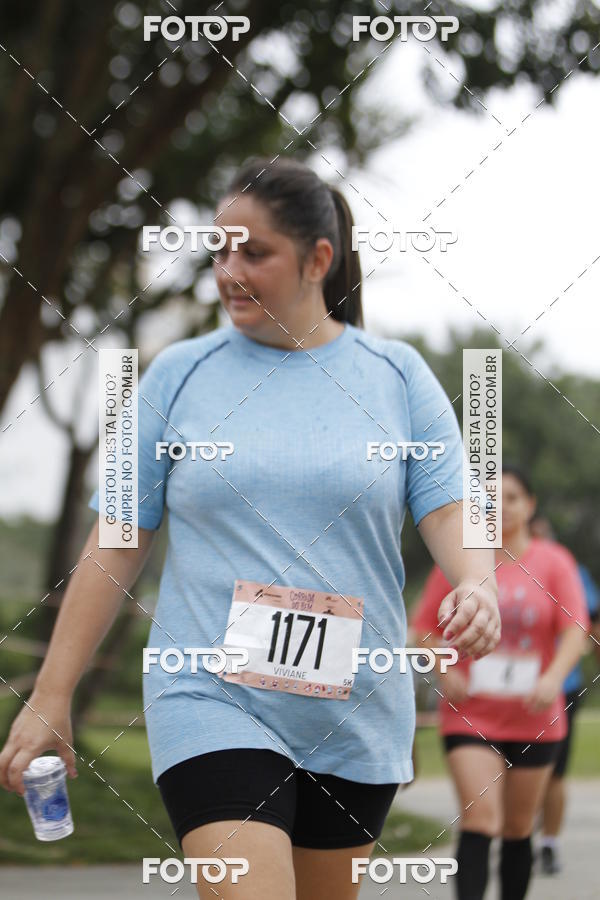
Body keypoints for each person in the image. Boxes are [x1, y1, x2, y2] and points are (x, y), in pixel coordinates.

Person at [0, 157, 501, 900]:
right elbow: (117, 538)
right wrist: (53, 690)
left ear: (317, 260)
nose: (228, 270)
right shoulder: (177, 376)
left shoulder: (397, 379)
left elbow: (451, 509)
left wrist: (478, 584)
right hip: (208, 698)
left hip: (353, 709)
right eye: (220, 250)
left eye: (254, 252)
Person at [411, 465, 589, 900]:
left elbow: (575, 628)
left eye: (511, 498)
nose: (501, 508)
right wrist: (445, 669)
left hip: (535, 715)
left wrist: (552, 679)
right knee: (479, 821)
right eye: (489, 499)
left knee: (516, 827)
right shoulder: (464, 559)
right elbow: (423, 630)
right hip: (471, 715)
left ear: (529, 505)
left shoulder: (554, 561)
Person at [529, 516, 600, 875]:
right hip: (501, 692)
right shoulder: (491, 564)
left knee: (554, 772)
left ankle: (549, 843)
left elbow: (592, 620)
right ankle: (516, 836)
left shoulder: (569, 568)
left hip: (562, 687)